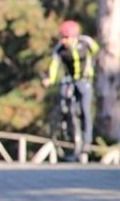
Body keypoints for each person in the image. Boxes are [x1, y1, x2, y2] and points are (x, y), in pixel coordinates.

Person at [42, 20, 98, 161]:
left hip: (84, 80)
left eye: (66, 38)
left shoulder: (86, 43)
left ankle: (87, 142)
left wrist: (93, 67)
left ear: (74, 36)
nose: (64, 40)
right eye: (62, 37)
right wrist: (50, 79)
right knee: (65, 102)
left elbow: (97, 52)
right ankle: (68, 127)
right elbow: (54, 66)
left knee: (85, 110)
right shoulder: (60, 49)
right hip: (70, 79)